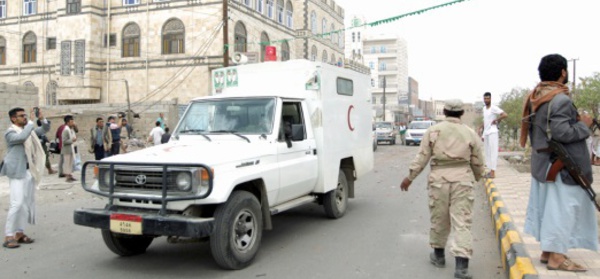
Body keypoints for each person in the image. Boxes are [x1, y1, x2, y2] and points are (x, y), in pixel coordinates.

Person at [519, 54, 597, 272]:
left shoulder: (538, 96)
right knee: (564, 211)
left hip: (546, 164)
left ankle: (548, 251)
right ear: (563, 72)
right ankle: (557, 257)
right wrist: (584, 125)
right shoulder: (560, 99)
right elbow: (562, 132)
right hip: (561, 167)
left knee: (551, 210)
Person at [399, 100, 484, 279]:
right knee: (462, 221)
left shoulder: (433, 131)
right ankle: (461, 267)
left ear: (444, 112)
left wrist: (410, 178)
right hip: (463, 179)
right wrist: (476, 177)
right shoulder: (470, 133)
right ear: (461, 113)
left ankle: (438, 257)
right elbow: (477, 161)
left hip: (439, 179)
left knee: (439, 217)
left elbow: (422, 157)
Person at [1, 107, 47, 249]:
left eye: (25, 115)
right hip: (17, 171)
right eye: (21, 116)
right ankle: (9, 235)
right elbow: (21, 138)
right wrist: (31, 123)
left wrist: (41, 119)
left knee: (26, 204)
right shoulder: (10, 132)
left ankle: (19, 233)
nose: (25, 118)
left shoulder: (29, 130)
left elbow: (44, 129)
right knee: (17, 203)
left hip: (29, 170)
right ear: (13, 119)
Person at [479, 92, 507, 178]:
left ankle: (493, 172)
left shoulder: (493, 108)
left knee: (493, 152)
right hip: (486, 133)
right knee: (487, 153)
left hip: (493, 132)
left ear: (490, 99)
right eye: (485, 98)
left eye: (488, 98)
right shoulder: (484, 109)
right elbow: (486, 121)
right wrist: (481, 130)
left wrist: (497, 120)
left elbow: (505, 115)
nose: (486, 100)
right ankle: (489, 171)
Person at [34, 109, 56, 174]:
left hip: (41, 145)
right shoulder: (38, 130)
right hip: (40, 145)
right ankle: (49, 169)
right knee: (45, 157)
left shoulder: (39, 130)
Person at [61, 115, 77, 183]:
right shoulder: (66, 130)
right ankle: (67, 177)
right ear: (67, 122)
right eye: (71, 121)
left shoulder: (71, 129)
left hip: (71, 148)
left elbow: (77, 130)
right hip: (67, 149)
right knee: (67, 163)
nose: (73, 123)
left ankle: (70, 175)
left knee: (70, 163)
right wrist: (72, 140)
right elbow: (64, 141)